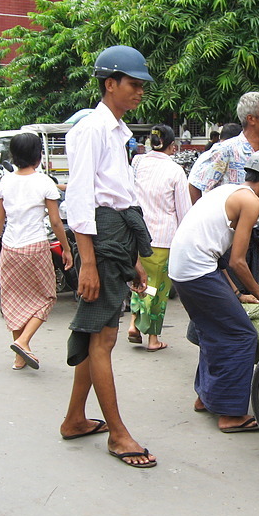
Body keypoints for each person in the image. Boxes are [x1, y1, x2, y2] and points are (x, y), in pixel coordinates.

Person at [61, 45, 157, 468]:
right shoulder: (91, 130)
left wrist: (131, 259)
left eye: (142, 86)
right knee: (104, 336)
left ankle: (75, 419)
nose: (139, 92)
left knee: (97, 331)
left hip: (115, 241)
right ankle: (118, 435)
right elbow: (80, 200)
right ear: (110, 84)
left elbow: (118, 197)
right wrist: (86, 261)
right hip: (99, 242)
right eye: (134, 85)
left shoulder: (117, 132)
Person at [169, 149, 259, 432]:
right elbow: (237, 261)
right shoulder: (250, 202)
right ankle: (230, 414)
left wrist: (236, 293)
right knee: (241, 335)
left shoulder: (229, 191)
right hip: (196, 270)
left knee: (212, 330)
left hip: (184, 269)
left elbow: (220, 257)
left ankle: (205, 397)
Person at [0, 132, 72, 371]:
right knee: (47, 296)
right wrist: (66, 249)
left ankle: (19, 356)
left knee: (13, 301)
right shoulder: (44, 182)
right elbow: (55, 222)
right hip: (36, 247)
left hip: (10, 248)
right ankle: (23, 342)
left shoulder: (5, 182)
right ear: (37, 155)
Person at [187, 91, 259, 290]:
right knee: (227, 299)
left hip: (253, 238)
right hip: (227, 241)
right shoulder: (226, 150)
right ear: (251, 119)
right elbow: (195, 184)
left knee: (246, 297)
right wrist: (207, 226)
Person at [127, 124, 192, 352]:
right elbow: (184, 212)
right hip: (163, 239)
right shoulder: (175, 171)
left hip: (136, 234)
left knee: (140, 282)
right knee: (157, 288)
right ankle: (153, 338)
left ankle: (134, 323)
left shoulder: (137, 163)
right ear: (172, 146)